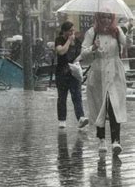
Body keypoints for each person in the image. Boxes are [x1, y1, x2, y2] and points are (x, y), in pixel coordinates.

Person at [81, 11, 133, 156]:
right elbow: (83, 52)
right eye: (103, 16)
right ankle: (102, 139)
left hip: (115, 71)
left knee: (115, 105)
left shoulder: (116, 32)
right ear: (98, 17)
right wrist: (93, 48)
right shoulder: (92, 32)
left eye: (108, 17)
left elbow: (127, 44)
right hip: (98, 72)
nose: (106, 19)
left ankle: (116, 140)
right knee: (100, 105)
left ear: (112, 18)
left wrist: (128, 31)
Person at [55, 21, 89, 129]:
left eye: (73, 30)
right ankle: (62, 120)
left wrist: (78, 61)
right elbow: (61, 51)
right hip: (62, 72)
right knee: (62, 97)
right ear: (64, 31)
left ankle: (80, 118)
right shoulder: (59, 40)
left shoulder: (78, 41)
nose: (72, 33)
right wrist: (68, 41)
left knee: (77, 96)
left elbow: (81, 55)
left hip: (74, 72)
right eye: (70, 31)